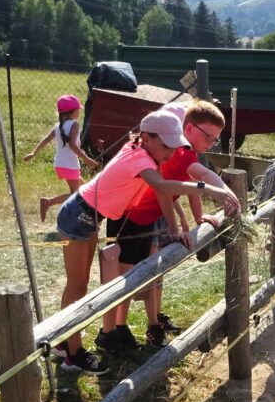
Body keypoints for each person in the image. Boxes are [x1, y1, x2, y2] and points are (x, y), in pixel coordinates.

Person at [52, 110, 236, 373]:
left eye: (174, 146)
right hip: (78, 216)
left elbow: (164, 192)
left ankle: (64, 343)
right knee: (78, 286)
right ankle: (73, 353)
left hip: (89, 216)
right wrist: (206, 188)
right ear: (147, 138)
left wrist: (175, 226)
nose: (171, 152)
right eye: (166, 146)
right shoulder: (140, 159)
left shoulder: (145, 153)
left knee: (77, 285)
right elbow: (163, 186)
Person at [98, 101, 242, 350]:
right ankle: (111, 331)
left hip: (145, 219)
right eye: (208, 136)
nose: (211, 143)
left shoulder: (186, 153)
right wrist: (228, 195)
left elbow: (192, 184)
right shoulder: (182, 153)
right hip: (129, 217)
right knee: (125, 276)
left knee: (137, 274)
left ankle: (120, 327)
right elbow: (201, 178)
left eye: (215, 139)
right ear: (190, 129)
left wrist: (199, 217)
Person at [23, 95, 98, 221]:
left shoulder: (58, 126)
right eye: (78, 110)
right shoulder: (74, 124)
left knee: (85, 189)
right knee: (76, 194)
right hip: (70, 164)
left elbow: (46, 140)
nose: (79, 112)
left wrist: (33, 153)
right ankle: (48, 202)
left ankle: (87, 211)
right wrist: (87, 159)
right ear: (74, 111)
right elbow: (73, 145)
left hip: (60, 164)